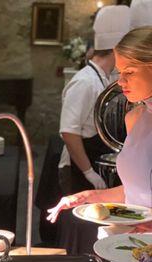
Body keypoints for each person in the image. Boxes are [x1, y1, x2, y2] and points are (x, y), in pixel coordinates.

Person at [48, 25, 152, 262]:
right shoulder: (135, 119)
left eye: (129, 73)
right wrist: (91, 196)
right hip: (129, 255)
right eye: (117, 71)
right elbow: (138, 187)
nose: (118, 81)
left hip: (145, 252)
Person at [58, 5, 130, 194]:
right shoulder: (85, 81)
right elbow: (69, 132)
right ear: (117, 50)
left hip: (93, 159)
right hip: (78, 167)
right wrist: (89, 172)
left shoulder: (106, 77)